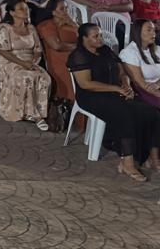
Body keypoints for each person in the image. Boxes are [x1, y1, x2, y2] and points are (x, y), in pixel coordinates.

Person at [68, 23, 160, 181]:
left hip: (114, 92)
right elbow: (86, 84)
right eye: (95, 36)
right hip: (91, 96)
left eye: (100, 35)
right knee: (124, 114)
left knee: (150, 111)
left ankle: (153, 158)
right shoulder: (79, 55)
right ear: (84, 38)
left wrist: (125, 84)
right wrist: (116, 89)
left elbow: (122, 71)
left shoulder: (105, 50)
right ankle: (127, 162)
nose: (100, 39)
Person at [0, 1, 52, 130]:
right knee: (26, 77)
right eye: (21, 9)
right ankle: (35, 116)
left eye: (26, 9)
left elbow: (37, 49)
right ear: (12, 13)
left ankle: (37, 110)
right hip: (11, 61)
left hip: (29, 62)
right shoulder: (4, 28)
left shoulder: (31, 28)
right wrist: (22, 63)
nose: (26, 11)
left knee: (44, 78)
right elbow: (3, 51)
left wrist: (34, 62)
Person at [37, 0, 79, 107]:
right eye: (62, 9)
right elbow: (57, 45)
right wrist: (77, 47)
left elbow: (85, 38)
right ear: (53, 12)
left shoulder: (69, 24)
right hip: (61, 61)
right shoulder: (47, 26)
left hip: (77, 56)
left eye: (66, 8)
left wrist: (74, 24)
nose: (66, 11)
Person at [121, 21, 160, 110]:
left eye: (154, 30)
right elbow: (139, 82)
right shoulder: (129, 53)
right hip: (144, 90)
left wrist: (157, 84)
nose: (153, 33)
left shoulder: (157, 49)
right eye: (149, 30)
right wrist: (157, 92)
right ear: (138, 32)